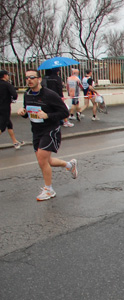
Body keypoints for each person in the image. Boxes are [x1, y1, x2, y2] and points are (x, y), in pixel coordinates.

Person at [17, 69, 78, 201]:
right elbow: (29, 112)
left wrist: (48, 115)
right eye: (27, 78)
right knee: (47, 161)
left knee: (42, 161)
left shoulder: (49, 95)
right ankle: (69, 165)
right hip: (36, 131)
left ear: (39, 79)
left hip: (50, 130)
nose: (29, 80)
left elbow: (64, 113)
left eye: (32, 77)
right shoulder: (27, 94)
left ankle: (49, 189)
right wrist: (23, 113)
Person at [0, 70, 25, 149]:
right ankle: (15, 142)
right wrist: (12, 99)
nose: (8, 76)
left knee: (9, 124)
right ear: (4, 76)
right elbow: (14, 95)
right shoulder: (7, 85)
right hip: (5, 108)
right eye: (7, 75)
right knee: (2, 126)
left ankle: (15, 142)